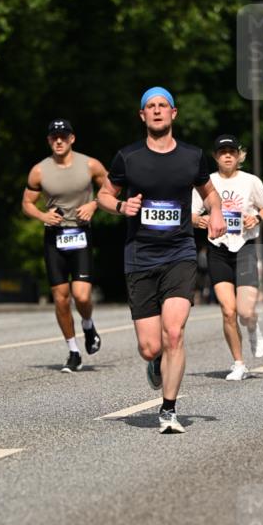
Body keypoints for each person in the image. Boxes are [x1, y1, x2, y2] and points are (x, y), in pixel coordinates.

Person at [98, 87, 224, 433]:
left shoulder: (192, 156)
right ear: (142, 116)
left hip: (180, 253)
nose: (156, 111)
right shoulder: (128, 157)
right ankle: (155, 362)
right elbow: (104, 196)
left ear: (173, 113)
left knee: (174, 333)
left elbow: (209, 193)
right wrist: (122, 207)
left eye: (162, 106)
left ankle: (168, 410)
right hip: (139, 255)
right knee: (150, 345)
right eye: (150, 107)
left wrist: (216, 214)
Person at [22, 120, 107, 372]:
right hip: (54, 237)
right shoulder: (39, 171)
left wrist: (93, 205)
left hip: (80, 234)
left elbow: (110, 190)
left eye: (63, 136)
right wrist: (42, 216)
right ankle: (73, 351)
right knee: (60, 299)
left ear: (72, 139)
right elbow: (26, 203)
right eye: (54, 137)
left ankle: (88, 324)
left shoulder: (90, 165)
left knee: (81, 295)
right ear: (49, 141)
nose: (58, 141)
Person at [192, 134, 263, 379]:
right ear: (215, 156)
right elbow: (192, 214)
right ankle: (239, 363)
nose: (227, 155)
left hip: (245, 247)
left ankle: (252, 327)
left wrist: (256, 218)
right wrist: (200, 220)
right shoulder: (206, 182)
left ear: (239, 155)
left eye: (232, 151)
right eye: (222, 151)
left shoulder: (251, 181)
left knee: (246, 311)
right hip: (218, 249)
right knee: (228, 311)